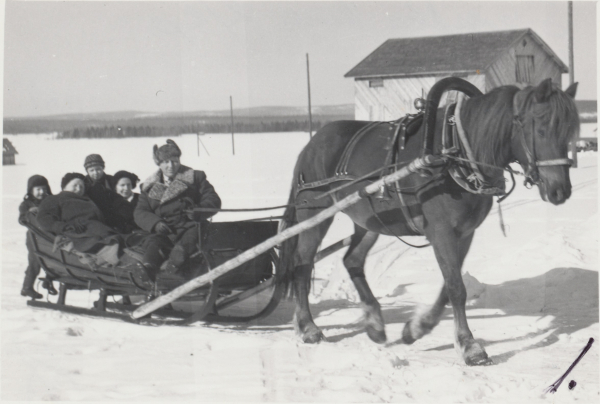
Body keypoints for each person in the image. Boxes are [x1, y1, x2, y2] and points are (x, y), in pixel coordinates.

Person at [134, 139, 221, 278]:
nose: (171, 166)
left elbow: (212, 199)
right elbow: (140, 211)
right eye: (166, 162)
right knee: (154, 244)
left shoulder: (195, 178)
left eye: (175, 160)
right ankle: (148, 270)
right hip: (165, 229)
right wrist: (155, 223)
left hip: (191, 226)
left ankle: (174, 268)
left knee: (186, 245)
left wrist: (199, 211)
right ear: (159, 163)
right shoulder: (148, 186)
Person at [37, 173, 123, 263]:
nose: (78, 189)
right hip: (78, 232)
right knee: (109, 241)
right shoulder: (55, 199)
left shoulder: (87, 199)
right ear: (65, 187)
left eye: (81, 187)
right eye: (75, 185)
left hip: (97, 229)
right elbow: (44, 217)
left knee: (117, 237)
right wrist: (63, 226)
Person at [18, 175, 57, 298]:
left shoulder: (50, 201)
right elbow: (22, 219)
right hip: (34, 239)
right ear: (31, 190)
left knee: (54, 259)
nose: (41, 192)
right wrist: (29, 213)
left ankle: (48, 282)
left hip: (49, 237)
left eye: (44, 189)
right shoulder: (26, 204)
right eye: (38, 189)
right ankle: (27, 287)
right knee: (35, 262)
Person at [83, 154, 131, 233]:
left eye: (98, 169)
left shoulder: (112, 180)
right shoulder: (84, 184)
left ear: (103, 168)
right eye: (92, 170)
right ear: (87, 171)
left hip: (116, 211)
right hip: (96, 213)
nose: (95, 173)